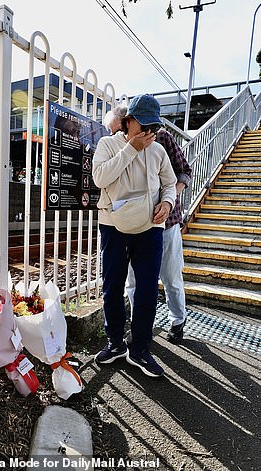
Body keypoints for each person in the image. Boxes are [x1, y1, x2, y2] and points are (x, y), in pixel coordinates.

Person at [92, 94, 177, 378]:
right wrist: (131, 148)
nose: (150, 132)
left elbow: (170, 183)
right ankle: (115, 343)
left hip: (150, 226)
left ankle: (140, 348)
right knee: (112, 286)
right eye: (145, 125)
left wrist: (167, 203)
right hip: (113, 225)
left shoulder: (159, 151)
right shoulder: (108, 144)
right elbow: (100, 178)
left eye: (154, 126)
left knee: (147, 289)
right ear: (128, 121)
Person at [105, 105, 192, 345]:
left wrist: (168, 201)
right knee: (133, 281)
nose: (115, 136)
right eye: (112, 132)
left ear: (128, 121)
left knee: (171, 276)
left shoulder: (162, 137)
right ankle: (140, 324)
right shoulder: (118, 146)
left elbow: (184, 171)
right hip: (136, 225)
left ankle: (177, 320)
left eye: (116, 130)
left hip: (168, 221)